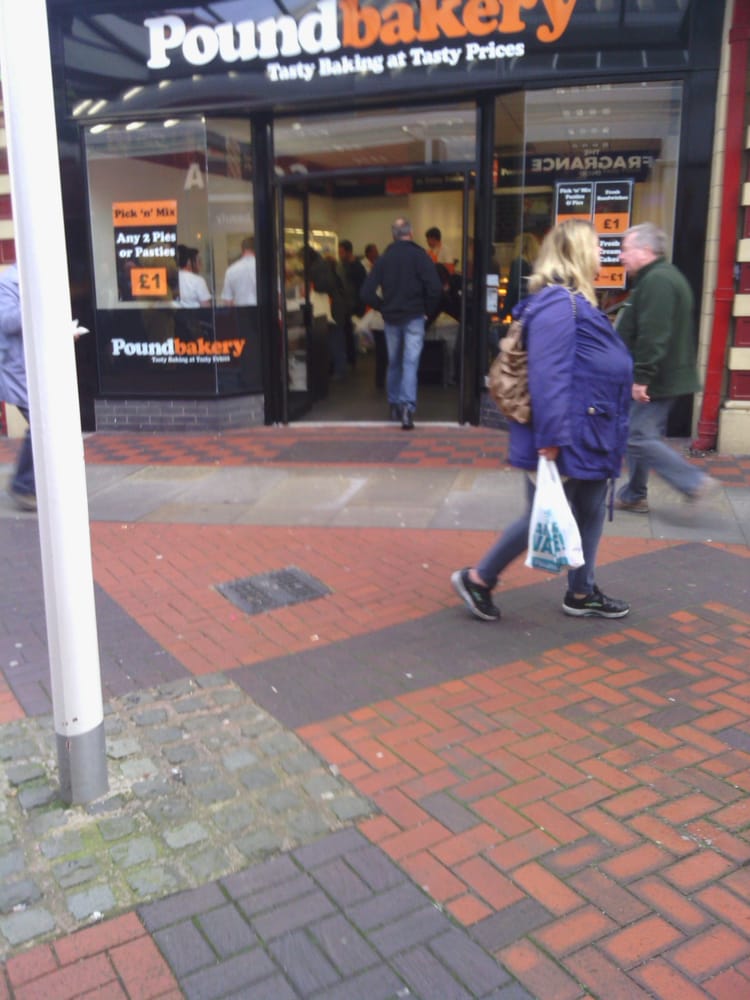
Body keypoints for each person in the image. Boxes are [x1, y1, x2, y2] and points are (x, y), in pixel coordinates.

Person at [452, 219, 633, 622]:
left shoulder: (572, 302)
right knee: (542, 515)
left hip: (587, 431)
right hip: (566, 434)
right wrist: (550, 440)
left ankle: (582, 592)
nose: (602, 255)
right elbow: (548, 375)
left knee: (587, 509)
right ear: (579, 253)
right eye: (596, 247)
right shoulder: (558, 303)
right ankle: (478, 579)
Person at [614, 223, 719, 512]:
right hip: (660, 376)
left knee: (637, 437)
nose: (621, 256)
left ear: (646, 251)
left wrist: (642, 377)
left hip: (657, 379)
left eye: (626, 249)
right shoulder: (659, 277)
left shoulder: (658, 281)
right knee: (642, 436)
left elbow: (654, 333)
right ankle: (634, 495)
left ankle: (692, 481)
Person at [361, 217, 442, 429]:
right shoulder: (420, 256)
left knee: (394, 362)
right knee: (410, 364)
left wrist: (382, 307)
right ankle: (407, 409)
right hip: (415, 317)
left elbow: (366, 292)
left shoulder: (384, 259)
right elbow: (435, 288)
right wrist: (427, 312)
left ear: (393, 235)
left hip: (391, 319)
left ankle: (394, 405)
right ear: (411, 232)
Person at [0, 264, 36, 510]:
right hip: (18, 371)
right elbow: (7, 321)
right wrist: (34, 302)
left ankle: (30, 483)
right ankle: (24, 484)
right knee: (43, 426)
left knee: (43, 426)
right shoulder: (8, 284)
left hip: (33, 369)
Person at [302, 245, 348, 379]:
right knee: (336, 339)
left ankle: (339, 370)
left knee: (335, 339)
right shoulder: (323, 264)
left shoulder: (317, 268)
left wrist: (312, 286)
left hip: (331, 308)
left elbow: (324, 286)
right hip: (336, 306)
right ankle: (338, 368)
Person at [337, 239, 367, 367]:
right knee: (348, 331)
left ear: (349, 252)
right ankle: (351, 357)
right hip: (346, 304)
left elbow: (361, 287)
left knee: (351, 331)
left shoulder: (357, 267)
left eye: (342, 252)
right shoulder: (342, 265)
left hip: (353, 304)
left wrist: (359, 305)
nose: (340, 254)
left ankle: (352, 357)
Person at [501, 232, 540, 319]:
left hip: (521, 308)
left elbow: (513, 288)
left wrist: (503, 313)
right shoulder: (537, 265)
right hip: (534, 309)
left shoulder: (518, 262)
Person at [220, 236, 257, 306]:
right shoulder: (265, 267)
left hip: (241, 313)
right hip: (263, 313)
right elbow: (278, 296)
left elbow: (227, 301)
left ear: (242, 249)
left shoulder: (231, 270)